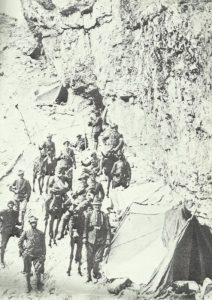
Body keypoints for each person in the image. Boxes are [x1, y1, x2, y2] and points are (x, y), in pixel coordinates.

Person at [83, 198, 111, 283]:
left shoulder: (104, 215)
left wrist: (108, 239)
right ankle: (88, 276)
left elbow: (108, 228)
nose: (97, 207)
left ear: (101, 206)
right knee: (89, 258)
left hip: (101, 240)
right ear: (93, 206)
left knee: (97, 259)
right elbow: (85, 227)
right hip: (90, 240)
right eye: (95, 205)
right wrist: (84, 237)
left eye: (98, 205)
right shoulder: (89, 214)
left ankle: (95, 273)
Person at [18, 216, 46, 293]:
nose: (34, 224)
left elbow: (43, 245)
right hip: (28, 254)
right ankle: (28, 285)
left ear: (36, 223)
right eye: (32, 223)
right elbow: (20, 242)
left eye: (35, 223)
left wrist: (44, 254)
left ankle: (38, 284)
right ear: (30, 224)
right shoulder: (26, 232)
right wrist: (23, 251)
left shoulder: (41, 233)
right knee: (27, 271)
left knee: (38, 270)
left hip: (38, 255)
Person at [0, 201, 21, 267]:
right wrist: (2, 221)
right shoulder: (4, 211)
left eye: (12, 204)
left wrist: (21, 223)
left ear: (13, 205)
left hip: (13, 229)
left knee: (24, 234)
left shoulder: (16, 213)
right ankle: (1, 261)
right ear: (8, 205)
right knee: (3, 245)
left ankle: (22, 251)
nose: (11, 205)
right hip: (5, 230)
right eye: (10, 204)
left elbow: (17, 222)